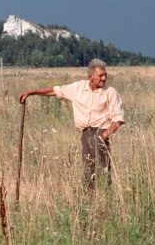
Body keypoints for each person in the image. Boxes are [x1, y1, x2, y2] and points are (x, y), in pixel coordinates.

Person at [18, 59, 125, 191]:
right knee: (88, 171)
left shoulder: (110, 92)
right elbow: (54, 91)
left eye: (105, 75)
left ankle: (106, 200)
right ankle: (89, 201)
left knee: (103, 170)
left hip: (101, 133)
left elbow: (119, 118)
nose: (104, 78)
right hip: (85, 134)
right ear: (90, 77)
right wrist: (30, 93)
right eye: (101, 75)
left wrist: (104, 135)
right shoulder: (77, 88)